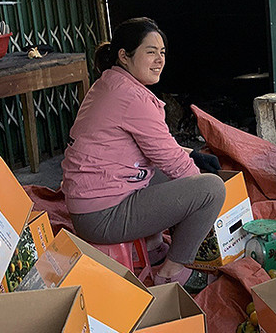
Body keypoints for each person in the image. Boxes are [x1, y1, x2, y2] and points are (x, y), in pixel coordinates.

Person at [61, 17, 226, 291]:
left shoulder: (109, 84)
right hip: (102, 216)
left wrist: (191, 156)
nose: (159, 60)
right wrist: (203, 202)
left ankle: (152, 248)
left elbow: (155, 147)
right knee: (211, 189)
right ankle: (173, 272)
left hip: (90, 204)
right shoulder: (132, 98)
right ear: (125, 56)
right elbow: (175, 164)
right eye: (150, 52)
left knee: (162, 171)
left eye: (162, 53)